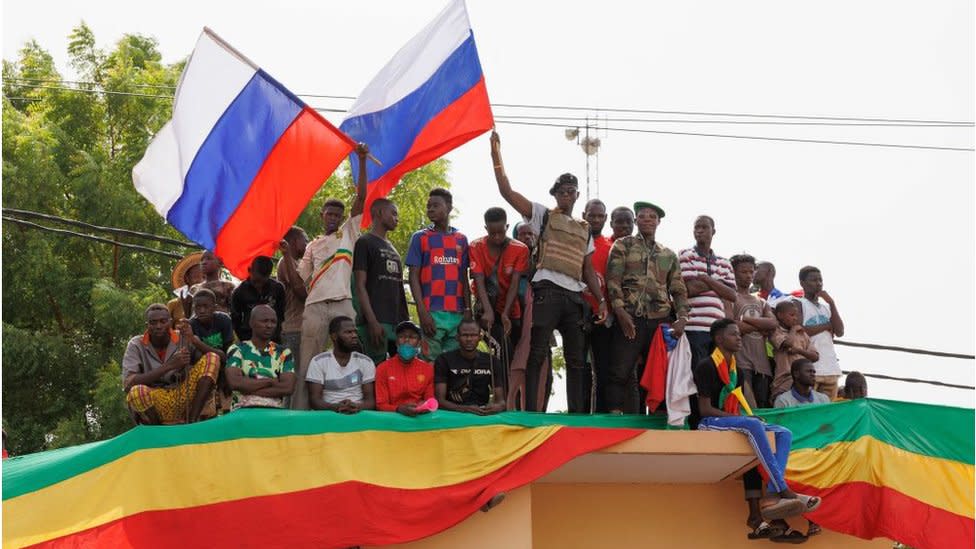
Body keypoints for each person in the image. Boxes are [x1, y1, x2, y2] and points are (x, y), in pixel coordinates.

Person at [490, 130, 607, 413]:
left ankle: (577, 414)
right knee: (538, 353)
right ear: (555, 194)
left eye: (572, 191)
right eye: (562, 191)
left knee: (576, 359)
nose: (567, 195)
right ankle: (532, 412)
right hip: (548, 292)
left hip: (575, 297)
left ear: (577, 194)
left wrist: (601, 300)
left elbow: (587, 269)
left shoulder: (583, 229)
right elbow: (507, 192)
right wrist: (496, 156)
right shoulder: (543, 215)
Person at [693, 319, 821, 537]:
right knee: (752, 424)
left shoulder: (738, 372)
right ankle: (782, 489)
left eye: (739, 334)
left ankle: (771, 494)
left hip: (729, 420)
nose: (739, 337)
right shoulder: (706, 365)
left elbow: (741, 408)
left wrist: (752, 419)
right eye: (734, 334)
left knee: (782, 433)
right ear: (719, 339)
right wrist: (745, 420)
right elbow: (705, 410)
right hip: (707, 423)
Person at [292, 144, 370, 410]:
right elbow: (298, 280)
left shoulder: (348, 233)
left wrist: (361, 161)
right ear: (322, 215)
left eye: (338, 214)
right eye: (330, 214)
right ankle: (301, 415)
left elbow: (360, 200)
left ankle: (354, 406)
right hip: (314, 306)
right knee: (308, 361)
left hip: (342, 302)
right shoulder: (312, 246)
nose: (334, 217)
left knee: (350, 356)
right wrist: (282, 252)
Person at [605, 201, 689, 414]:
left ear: (658, 222)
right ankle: (615, 417)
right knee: (620, 370)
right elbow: (613, 280)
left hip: (659, 320)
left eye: (652, 216)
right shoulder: (623, 245)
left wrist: (682, 318)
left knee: (657, 372)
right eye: (643, 216)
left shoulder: (668, 254)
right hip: (630, 316)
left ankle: (656, 420)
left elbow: (678, 289)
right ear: (636, 220)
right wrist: (620, 311)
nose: (648, 220)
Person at [123, 304, 220, 425]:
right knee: (136, 392)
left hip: (184, 396)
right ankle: (158, 430)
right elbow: (128, 383)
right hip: (155, 401)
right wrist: (169, 365)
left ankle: (192, 420)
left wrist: (194, 340)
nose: (158, 326)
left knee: (212, 358)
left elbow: (211, 362)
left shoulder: (184, 337)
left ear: (170, 322)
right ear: (147, 325)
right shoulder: (135, 344)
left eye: (163, 321)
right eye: (153, 322)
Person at [406, 188, 471, 361]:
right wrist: (422, 311)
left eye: (435, 205)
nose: (430, 210)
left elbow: (464, 278)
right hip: (432, 313)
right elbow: (413, 277)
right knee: (429, 362)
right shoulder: (420, 237)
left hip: (457, 313)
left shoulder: (461, 239)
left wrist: (467, 310)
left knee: (455, 364)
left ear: (449, 207)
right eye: (428, 206)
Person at [470, 207, 530, 393]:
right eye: (492, 232)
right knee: (501, 352)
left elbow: (514, 283)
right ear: (485, 228)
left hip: (511, 312)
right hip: (486, 309)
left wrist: (505, 314)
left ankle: (513, 400)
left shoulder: (520, 249)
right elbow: (478, 280)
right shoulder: (476, 246)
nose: (496, 237)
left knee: (514, 356)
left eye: (501, 232)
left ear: (507, 226)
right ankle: (501, 398)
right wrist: (489, 312)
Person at [773, 358, 830, 539]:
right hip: (794, 450)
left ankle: (814, 518)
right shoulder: (783, 401)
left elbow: (829, 426)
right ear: (796, 374)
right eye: (809, 371)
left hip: (818, 449)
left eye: (814, 371)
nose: (813, 374)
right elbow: (779, 429)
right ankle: (808, 518)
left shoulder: (823, 399)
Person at [354, 197, 409, 364]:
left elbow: (398, 289)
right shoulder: (364, 242)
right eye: (393, 213)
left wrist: (405, 322)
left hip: (396, 323)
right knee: (372, 371)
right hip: (375, 322)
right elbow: (359, 285)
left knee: (397, 371)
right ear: (379, 213)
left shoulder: (392, 248)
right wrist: (372, 321)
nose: (397, 218)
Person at [679, 215, 737, 367]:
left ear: (713, 231)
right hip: (694, 327)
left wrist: (707, 279)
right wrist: (719, 283)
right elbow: (689, 289)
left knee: (719, 375)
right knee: (697, 374)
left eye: (704, 227)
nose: (699, 231)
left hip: (718, 330)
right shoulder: (686, 255)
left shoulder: (725, 262)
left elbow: (732, 295)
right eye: (696, 228)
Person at [729, 254, 778, 409]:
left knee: (762, 406)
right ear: (733, 273)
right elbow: (733, 326)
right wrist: (760, 325)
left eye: (751, 272)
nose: (749, 275)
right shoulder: (730, 297)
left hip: (762, 365)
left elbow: (773, 323)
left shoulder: (761, 301)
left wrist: (746, 321)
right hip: (741, 362)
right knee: (746, 407)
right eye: (744, 272)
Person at [225, 305, 296, 409]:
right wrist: (270, 381)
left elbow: (288, 388)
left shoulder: (284, 353)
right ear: (251, 323)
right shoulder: (237, 349)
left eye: (273, 322)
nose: (269, 325)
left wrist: (247, 387)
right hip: (242, 409)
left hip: (274, 411)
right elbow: (234, 383)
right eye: (264, 321)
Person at [306, 316, 376, 413]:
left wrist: (357, 406)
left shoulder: (366, 362)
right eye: (348, 332)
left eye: (355, 332)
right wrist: (335, 407)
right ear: (334, 336)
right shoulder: (318, 362)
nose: (354, 335)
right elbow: (314, 401)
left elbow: (370, 401)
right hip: (329, 413)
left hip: (358, 412)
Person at [435, 319, 506, 414]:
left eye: (473, 335)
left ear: (480, 337)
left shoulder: (492, 361)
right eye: (465, 335)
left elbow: (501, 401)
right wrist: (465, 409)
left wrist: (497, 407)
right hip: (452, 414)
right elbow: (440, 401)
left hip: (482, 413)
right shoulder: (443, 360)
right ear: (457, 337)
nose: (469, 339)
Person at [797, 266, 845, 399]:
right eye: (813, 280)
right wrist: (827, 325)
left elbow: (840, 331)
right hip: (811, 370)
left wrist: (831, 302)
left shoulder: (826, 307)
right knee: (809, 407)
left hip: (831, 369)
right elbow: (802, 331)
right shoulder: (799, 303)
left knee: (828, 413)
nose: (818, 283)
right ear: (802, 283)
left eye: (820, 280)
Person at [184, 288, 235, 411]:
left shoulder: (224, 320)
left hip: (224, 367)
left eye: (206, 306)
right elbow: (194, 358)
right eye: (198, 307)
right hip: (204, 370)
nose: (202, 310)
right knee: (198, 355)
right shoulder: (191, 325)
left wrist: (196, 341)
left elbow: (226, 356)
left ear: (214, 307)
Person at [581, 199, 610, 413]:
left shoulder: (611, 247)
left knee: (602, 368)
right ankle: (578, 414)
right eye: (592, 215)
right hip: (577, 312)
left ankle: (599, 414)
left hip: (603, 314)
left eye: (600, 216)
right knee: (578, 367)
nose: (596, 220)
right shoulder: (575, 241)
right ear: (584, 215)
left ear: (606, 219)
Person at [374, 321, 435, 416]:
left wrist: (424, 406)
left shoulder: (427, 369)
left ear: (419, 343)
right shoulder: (383, 368)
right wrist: (398, 409)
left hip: (419, 418)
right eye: (402, 336)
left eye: (412, 337)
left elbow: (430, 400)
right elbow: (381, 405)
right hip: (393, 419)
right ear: (396, 342)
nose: (406, 340)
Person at [770, 300, 820, 400]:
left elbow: (815, 356)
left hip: (802, 381)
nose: (795, 318)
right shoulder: (775, 331)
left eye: (796, 315)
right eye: (791, 315)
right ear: (780, 315)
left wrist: (799, 351)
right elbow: (788, 344)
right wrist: (793, 330)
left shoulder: (801, 333)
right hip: (783, 382)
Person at [230, 256, 286, 343]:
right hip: (248, 338)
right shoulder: (239, 291)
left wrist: (275, 332)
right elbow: (235, 319)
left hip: (273, 339)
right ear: (249, 270)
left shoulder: (277, 288)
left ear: (269, 275)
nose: (258, 285)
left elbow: (281, 314)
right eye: (256, 281)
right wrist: (243, 337)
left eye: (263, 282)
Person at [277, 226, 309, 369]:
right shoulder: (285, 262)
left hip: (302, 329)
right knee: (294, 377)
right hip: (293, 329)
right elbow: (301, 292)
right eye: (305, 240)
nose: (308, 245)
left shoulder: (299, 264)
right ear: (295, 241)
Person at [166, 251, 204, 328]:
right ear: (187, 279)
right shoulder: (174, 304)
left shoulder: (213, 303)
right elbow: (167, 330)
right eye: (196, 278)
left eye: (204, 278)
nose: (201, 282)